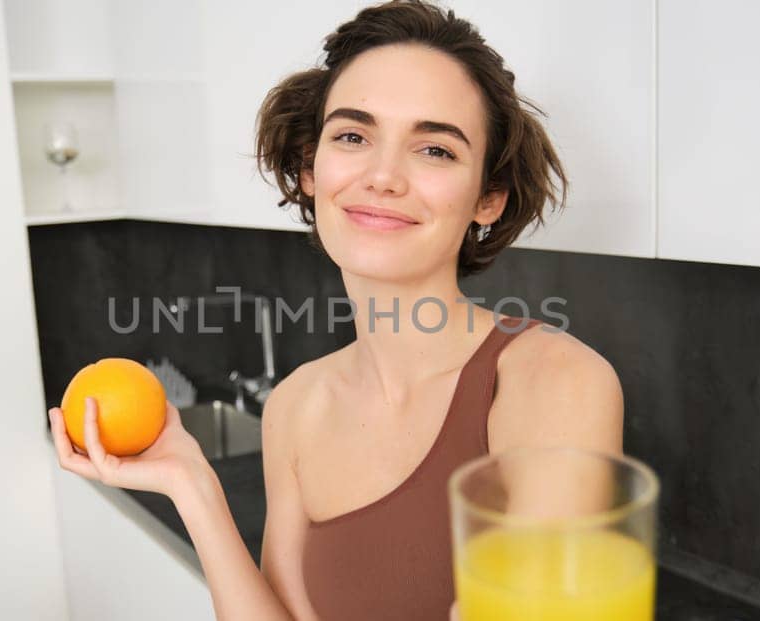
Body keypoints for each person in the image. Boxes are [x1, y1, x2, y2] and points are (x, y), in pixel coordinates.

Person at [47, 2, 624, 619]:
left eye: (434, 150)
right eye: (353, 136)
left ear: (488, 199)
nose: (382, 175)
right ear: (310, 169)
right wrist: (192, 486)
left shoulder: (555, 382)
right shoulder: (296, 405)